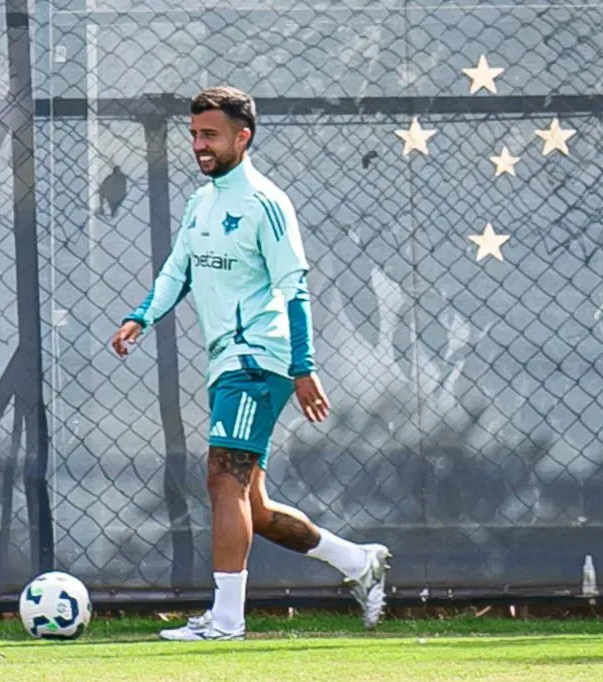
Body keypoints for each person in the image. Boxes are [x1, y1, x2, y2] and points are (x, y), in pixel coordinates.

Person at [110, 86, 391, 641]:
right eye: (194, 135)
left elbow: (295, 288)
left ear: (244, 136)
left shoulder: (266, 202)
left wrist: (304, 367)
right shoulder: (202, 201)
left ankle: (227, 619)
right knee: (251, 505)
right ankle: (360, 562)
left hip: (260, 359)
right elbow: (178, 270)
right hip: (228, 364)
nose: (199, 145)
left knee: (223, 480)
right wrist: (141, 316)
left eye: (210, 135)